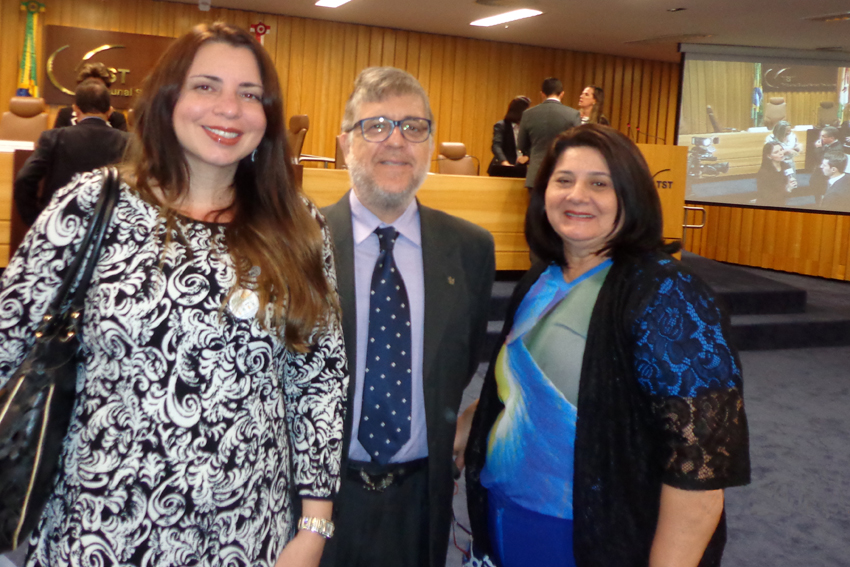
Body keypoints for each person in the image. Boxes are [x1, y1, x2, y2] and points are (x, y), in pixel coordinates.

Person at [0, 22, 347, 567]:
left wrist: (313, 526)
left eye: (250, 94)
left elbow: (320, 380)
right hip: (100, 530)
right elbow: (7, 345)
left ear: (268, 116)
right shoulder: (91, 207)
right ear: (168, 100)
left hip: (248, 534)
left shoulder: (297, 225)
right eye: (205, 85)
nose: (229, 108)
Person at [465, 124, 750, 567]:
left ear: (630, 197)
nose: (577, 195)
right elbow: (517, 391)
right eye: (563, 180)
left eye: (600, 183)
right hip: (507, 516)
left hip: (593, 537)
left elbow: (700, 467)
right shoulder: (540, 281)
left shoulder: (667, 294)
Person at [319, 66, 495, 567]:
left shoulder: (470, 250)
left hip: (423, 499)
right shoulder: (298, 244)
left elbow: (456, 366)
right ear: (344, 143)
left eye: (413, 127)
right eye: (375, 126)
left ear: (431, 144)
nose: (396, 141)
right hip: (313, 499)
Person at [14, 79, 130, 226]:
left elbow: (24, 179)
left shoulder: (53, 138)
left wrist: (36, 219)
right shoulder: (128, 142)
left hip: (58, 226)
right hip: (108, 228)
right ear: (109, 111)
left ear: (75, 109)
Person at [517, 77, 581, 189]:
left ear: (542, 94)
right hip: (561, 173)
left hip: (536, 174)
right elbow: (578, 144)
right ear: (562, 94)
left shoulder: (528, 114)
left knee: (535, 206)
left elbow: (521, 144)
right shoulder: (573, 114)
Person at [53, 62, 128, 131]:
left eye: (97, 87)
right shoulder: (65, 115)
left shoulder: (117, 118)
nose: (93, 91)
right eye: (88, 86)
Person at [487, 96, 530, 175]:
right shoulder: (501, 125)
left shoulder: (527, 127)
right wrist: (504, 161)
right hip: (502, 168)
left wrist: (527, 157)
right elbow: (496, 146)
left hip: (520, 169)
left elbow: (531, 146)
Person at [756, 141, 797, 207]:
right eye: (776, 152)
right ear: (769, 156)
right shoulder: (764, 172)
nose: (781, 153)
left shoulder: (786, 166)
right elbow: (767, 196)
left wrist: (791, 184)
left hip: (782, 202)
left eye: (781, 150)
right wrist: (787, 189)